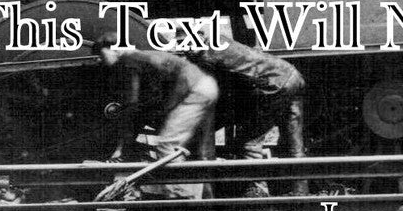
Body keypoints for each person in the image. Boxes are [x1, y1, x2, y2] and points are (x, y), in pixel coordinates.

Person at [91, 32, 218, 197]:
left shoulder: (129, 61)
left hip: (194, 91)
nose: (98, 60)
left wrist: (121, 148)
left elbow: (133, 107)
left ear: (114, 50)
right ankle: (203, 200)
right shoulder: (139, 57)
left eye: (100, 55)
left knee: (167, 145)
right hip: (203, 86)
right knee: (198, 148)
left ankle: (181, 199)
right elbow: (144, 103)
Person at [186, 36, 307, 196]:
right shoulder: (221, 41)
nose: (186, 51)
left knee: (249, 143)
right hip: (293, 76)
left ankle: (257, 197)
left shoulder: (205, 55)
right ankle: (301, 195)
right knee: (294, 143)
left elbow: (214, 93)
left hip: (274, 85)